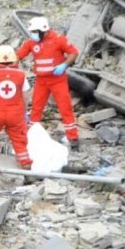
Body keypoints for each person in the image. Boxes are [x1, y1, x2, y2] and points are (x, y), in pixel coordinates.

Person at [17, 16, 80, 150]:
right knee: (36, 107)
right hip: (41, 80)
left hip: (58, 80)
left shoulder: (58, 39)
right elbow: (18, 55)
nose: (33, 34)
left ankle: (72, 137)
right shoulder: (32, 42)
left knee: (65, 107)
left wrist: (64, 65)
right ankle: (31, 134)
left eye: (35, 32)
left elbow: (74, 52)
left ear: (43, 30)